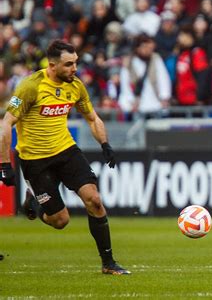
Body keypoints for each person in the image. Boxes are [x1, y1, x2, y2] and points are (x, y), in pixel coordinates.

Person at [0, 40, 130, 275]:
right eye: (69, 64)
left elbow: (92, 118)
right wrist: (4, 163)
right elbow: (6, 123)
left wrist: (105, 144)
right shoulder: (30, 87)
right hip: (35, 160)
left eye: (76, 63)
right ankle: (35, 203)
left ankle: (108, 263)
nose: (74, 69)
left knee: (95, 200)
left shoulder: (75, 85)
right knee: (60, 221)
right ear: (52, 65)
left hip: (66, 151)